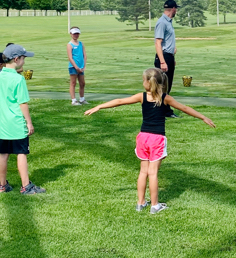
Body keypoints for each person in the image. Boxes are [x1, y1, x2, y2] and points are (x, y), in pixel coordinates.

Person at [84, 68, 215, 213]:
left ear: (148, 82)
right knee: (153, 173)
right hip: (156, 139)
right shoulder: (165, 98)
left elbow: (120, 101)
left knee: (143, 172)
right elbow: (184, 108)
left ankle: (140, 203)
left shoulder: (142, 97)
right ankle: (154, 205)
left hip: (143, 138)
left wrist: (99, 106)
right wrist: (203, 117)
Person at [0, 44, 44, 194]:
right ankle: (26, 186)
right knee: (21, 153)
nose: (24, 60)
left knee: (3, 154)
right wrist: (29, 122)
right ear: (16, 59)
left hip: (2, 123)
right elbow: (22, 103)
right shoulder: (18, 79)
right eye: (23, 58)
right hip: (16, 123)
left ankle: (2, 185)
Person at [154, 0, 179, 118]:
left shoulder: (168, 22)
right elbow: (158, 43)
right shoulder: (162, 22)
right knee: (162, 86)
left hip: (168, 56)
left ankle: (165, 110)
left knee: (167, 86)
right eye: (176, 8)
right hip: (163, 58)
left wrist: (171, 56)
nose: (176, 11)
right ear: (173, 8)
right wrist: (163, 61)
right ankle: (162, 111)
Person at [67, 27, 88, 106]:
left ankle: (82, 99)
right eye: (74, 34)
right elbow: (70, 57)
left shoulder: (81, 44)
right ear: (71, 34)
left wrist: (84, 66)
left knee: (82, 83)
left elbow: (84, 55)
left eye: (77, 34)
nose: (76, 35)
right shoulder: (70, 44)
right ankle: (74, 100)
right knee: (73, 83)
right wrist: (76, 67)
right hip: (73, 67)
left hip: (81, 67)